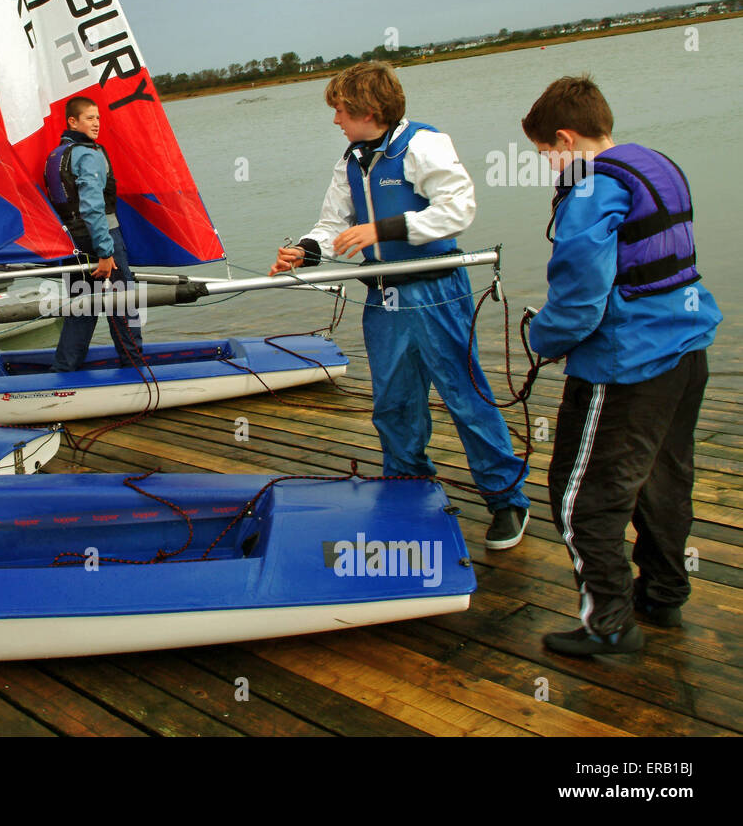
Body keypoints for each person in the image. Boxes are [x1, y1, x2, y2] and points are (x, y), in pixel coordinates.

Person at [270, 61, 531, 549]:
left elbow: (458, 210)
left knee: (465, 397)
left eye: (341, 112)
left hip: (436, 289)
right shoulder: (350, 159)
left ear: (370, 111)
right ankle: (408, 488)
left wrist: (384, 229)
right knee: (393, 403)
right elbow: (333, 225)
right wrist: (306, 249)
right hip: (382, 293)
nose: (335, 121)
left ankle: (507, 498)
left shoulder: (424, 144)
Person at [521, 75, 721, 656]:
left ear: (564, 137)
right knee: (664, 479)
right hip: (687, 349)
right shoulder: (656, 163)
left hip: (625, 368)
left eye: (545, 154)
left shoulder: (589, 191)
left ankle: (608, 622)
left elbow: (581, 297)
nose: (548, 167)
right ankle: (662, 592)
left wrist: (543, 337)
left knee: (580, 496)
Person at [45, 97, 144, 372]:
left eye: (98, 118)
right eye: (89, 118)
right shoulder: (89, 154)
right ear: (72, 122)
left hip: (71, 243)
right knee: (123, 302)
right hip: (100, 237)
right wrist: (105, 251)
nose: (96, 123)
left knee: (82, 307)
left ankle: (63, 370)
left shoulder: (55, 156)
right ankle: (136, 370)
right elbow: (91, 207)